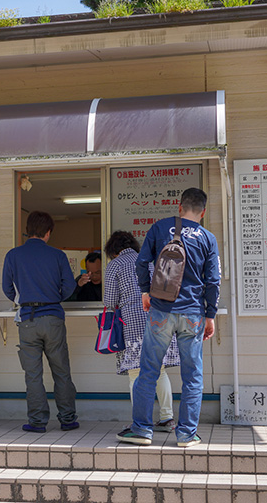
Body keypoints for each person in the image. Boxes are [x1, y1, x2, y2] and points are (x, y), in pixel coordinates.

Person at [117, 187, 220, 448]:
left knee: (148, 370)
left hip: (161, 311)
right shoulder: (208, 238)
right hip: (193, 314)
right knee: (192, 375)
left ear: (180, 207)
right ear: (203, 212)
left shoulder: (161, 228)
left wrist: (144, 292)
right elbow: (213, 281)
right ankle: (186, 434)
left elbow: (142, 263)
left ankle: (141, 430)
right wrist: (210, 316)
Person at [2, 210, 80, 433]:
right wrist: (55, 298)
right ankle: (67, 419)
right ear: (47, 232)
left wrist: (24, 299)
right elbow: (69, 286)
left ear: (28, 231)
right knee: (61, 371)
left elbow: (7, 288)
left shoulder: (13, 255)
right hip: (53, 317)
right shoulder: (57, 255)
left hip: (27, 319)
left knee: (33, 374)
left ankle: (37, 421)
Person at [104, 231, 180, 432]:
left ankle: (141, 421)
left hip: (134, 323)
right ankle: (167, 418)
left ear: (113, 250)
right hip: (160, 319)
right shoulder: (150, 259)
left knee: (136, 374)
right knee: (160, 371)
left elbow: (109, 301)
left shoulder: (115, 265)